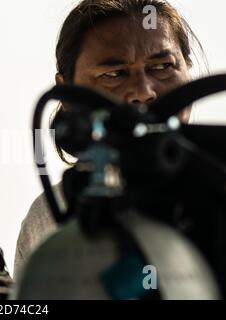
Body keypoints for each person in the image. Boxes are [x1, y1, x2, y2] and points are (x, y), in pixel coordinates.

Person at [14, 0, 204, 277]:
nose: (143, 91)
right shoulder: (48, 217)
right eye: (114, 74)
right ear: (66, 92)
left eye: (162, 66)